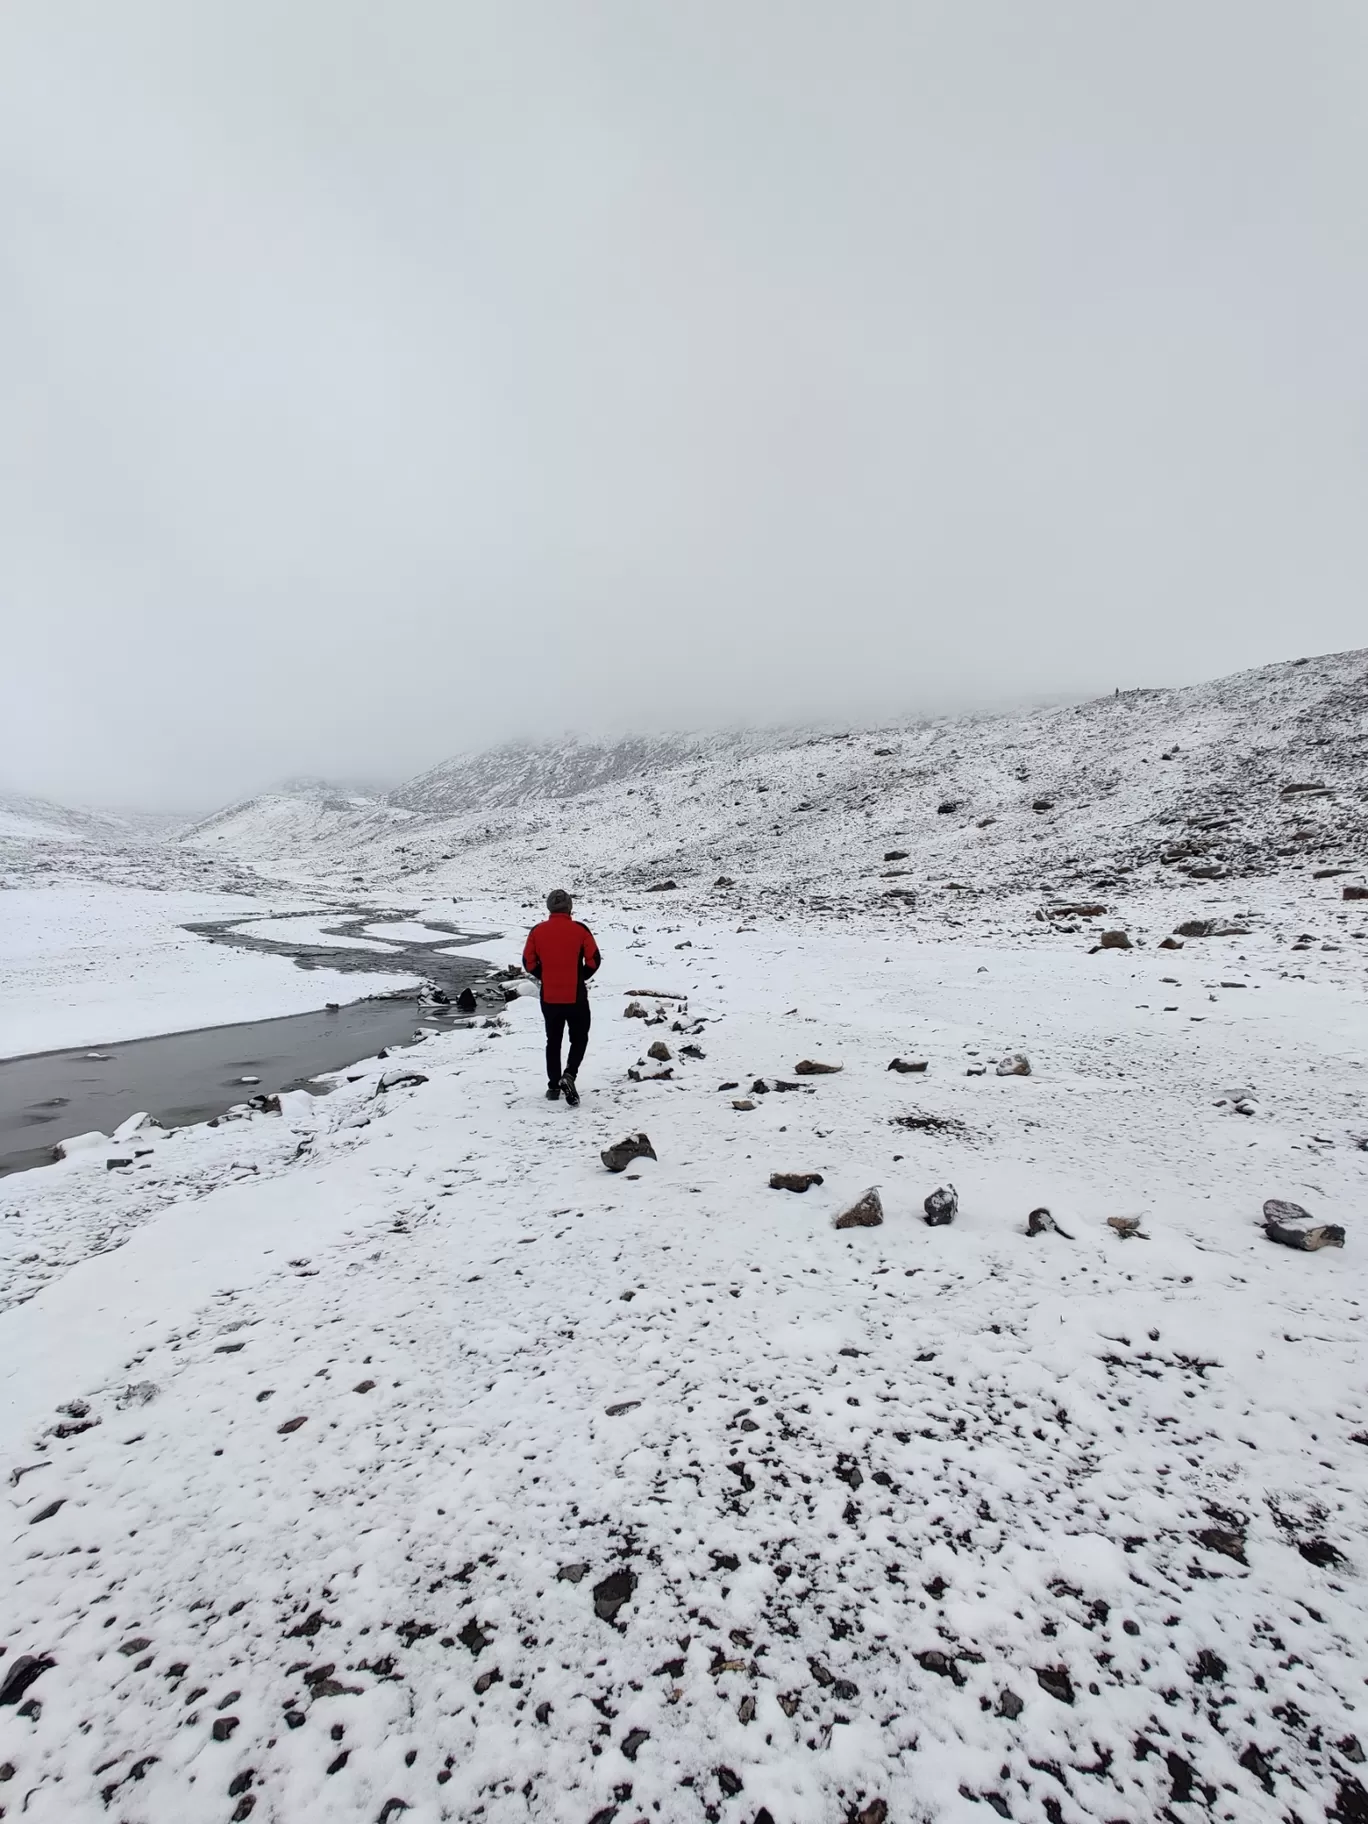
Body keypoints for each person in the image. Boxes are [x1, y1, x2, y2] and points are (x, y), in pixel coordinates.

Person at [522, 889, 601, 1106]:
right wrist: (579, 977)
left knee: (553, 1041)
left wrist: (545, 976)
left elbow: (528, 963)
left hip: (549, 996)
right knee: (579, 1037)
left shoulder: (537, 931)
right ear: (569, 907)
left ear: (549, 908)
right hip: (575, 995)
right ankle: (570, 1075)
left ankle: (553, 1086)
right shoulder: (580, 930)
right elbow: (594, 960)